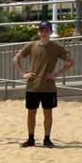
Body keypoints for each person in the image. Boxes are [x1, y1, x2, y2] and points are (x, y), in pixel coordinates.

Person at [14, 20, 74, 148]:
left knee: (48, 113)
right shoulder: (32, 45)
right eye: (42, 30)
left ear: (51, 32)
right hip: (32, 86)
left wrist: (56, 74)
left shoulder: (56, 47)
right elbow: (16, 58)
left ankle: (47, 139)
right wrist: (23, 73)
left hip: (48, 87)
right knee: (31, 113)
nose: (44, 32)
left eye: (47, 30)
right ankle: (31, 138)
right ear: (39, 32)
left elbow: (70, 62)